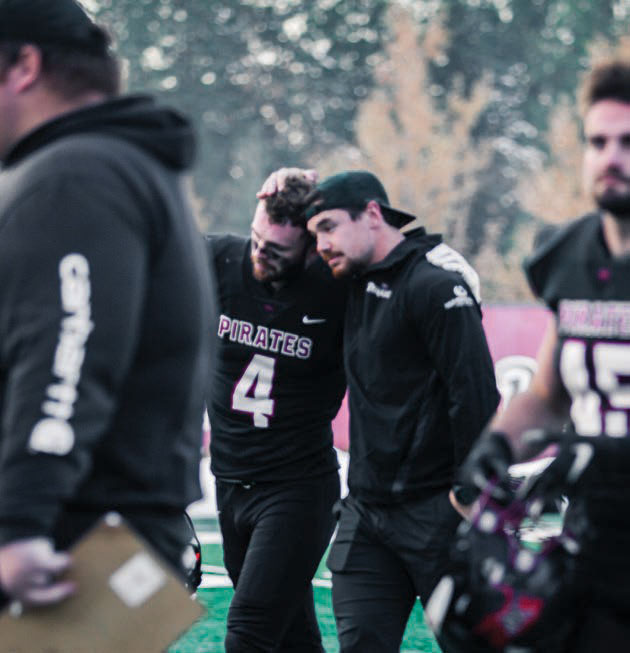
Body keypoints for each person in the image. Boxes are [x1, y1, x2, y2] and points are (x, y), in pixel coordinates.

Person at [0, 0, 213, 608]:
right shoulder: (126, 166)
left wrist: (20, 523)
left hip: (66, 545)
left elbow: (67, 352)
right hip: (108, 532)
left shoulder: (77, 172)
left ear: (24, 65)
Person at [458, 59, 630, 651]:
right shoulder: (570, 256)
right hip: (593, 548)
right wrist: (496, 447)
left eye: (628, 143)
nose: (611, 158)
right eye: (598, 141)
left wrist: (600, 454)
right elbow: (548, 393)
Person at [303, 170, 500, 652]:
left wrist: (465, 499)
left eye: (328, 226)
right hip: (367, 514)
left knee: (476, 645)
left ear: (372, 214)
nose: (321, 244)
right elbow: (265, 260)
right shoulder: (344, 281)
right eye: (315, 234)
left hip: (439, 512)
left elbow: (474, 396)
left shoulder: (435, 284)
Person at [205, 173, 346, 652]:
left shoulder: (338, 287)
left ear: (312, 248)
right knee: (292, 638)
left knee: (248, 633)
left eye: (277, 251)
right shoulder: (219, 259)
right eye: (258, 240)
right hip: (229, 480)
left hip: (297, 488)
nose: (259, 254)